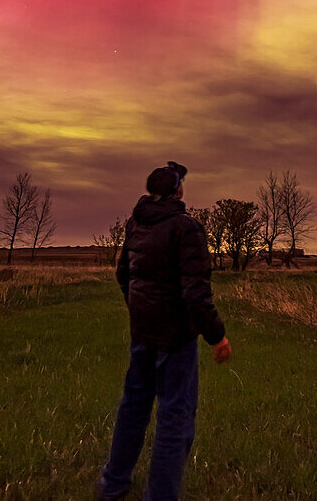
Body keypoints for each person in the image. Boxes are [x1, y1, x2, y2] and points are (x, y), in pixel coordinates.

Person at [100, 160, 232, 501]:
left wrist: (141, 312)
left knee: (133, 407)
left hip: (143, 333)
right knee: (175, 418)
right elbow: (195, 294)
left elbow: (123, 277)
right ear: (176, 191)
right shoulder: (185, 228)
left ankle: (112, 486)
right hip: (175, 339)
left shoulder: (135, 224)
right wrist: (217, 335)